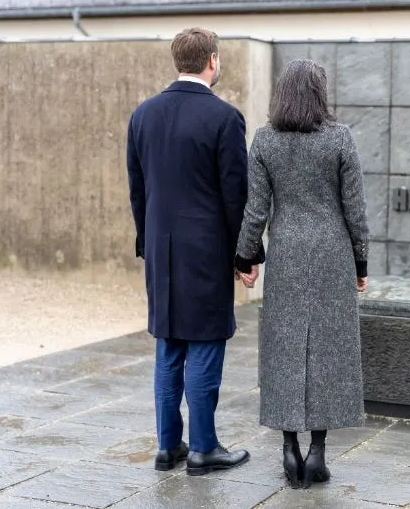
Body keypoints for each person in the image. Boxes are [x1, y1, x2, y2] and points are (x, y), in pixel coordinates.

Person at [127, 27, 261, 476]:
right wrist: (245, 256)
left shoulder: (142, 114)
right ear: (212, 61)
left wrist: (147, 243)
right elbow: (235, 196)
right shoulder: (224, 117)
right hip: (205, 252)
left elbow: (138, 190)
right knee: (204, 343)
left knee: (169, 345)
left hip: (160, 250)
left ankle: (168, 446)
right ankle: (203, 448)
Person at [234, 58, 369, 489]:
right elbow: (355, 209)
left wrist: (245, 257)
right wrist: (361, 262)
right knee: (329, 349)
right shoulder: (339, 137)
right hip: (332, 254)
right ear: (319, 92)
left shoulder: (265, 140)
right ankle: (319, 452)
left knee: (285, 347)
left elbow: (255, 210)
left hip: (288, 253)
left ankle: (289, 448)